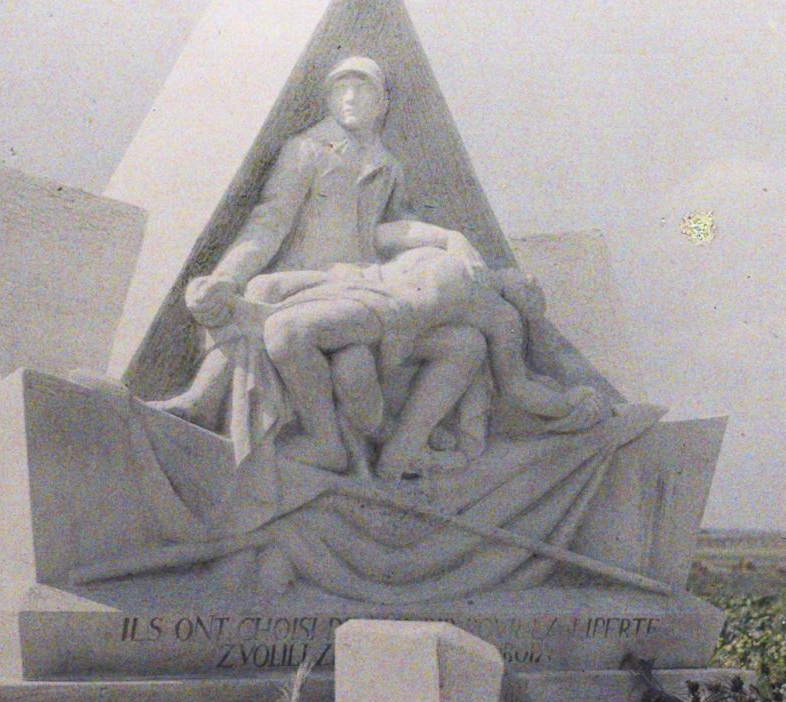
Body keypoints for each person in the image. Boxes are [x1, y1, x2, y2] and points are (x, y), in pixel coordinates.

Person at [150, 55, 481, 431]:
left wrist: (450, 238)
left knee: (354, 367)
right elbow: (269, 222)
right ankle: (200, 401)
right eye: (342, 89)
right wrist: (227, 276)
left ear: (382, 102)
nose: (351, 98)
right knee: (257, 293)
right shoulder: (306, 149)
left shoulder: (388, 165)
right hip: (306, 279)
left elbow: (390, 230)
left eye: (362, 88)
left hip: (355, 286)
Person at [200, 235, 606, 475]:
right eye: (530, 280)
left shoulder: (501, 316)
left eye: (537, 295)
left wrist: (570, 403)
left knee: (285, 331)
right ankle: (203, 398)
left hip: (388, 316)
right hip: (351, 282)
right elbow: (387, 232)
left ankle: (326, 442)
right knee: (261, 288)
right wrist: (455, 239)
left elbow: (517, 385)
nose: (533, 281)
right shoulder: (454, 251)